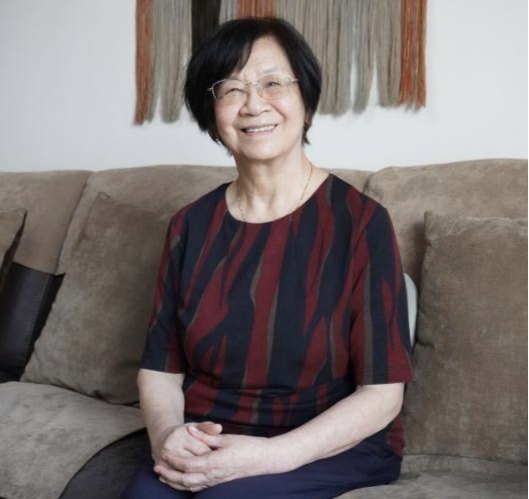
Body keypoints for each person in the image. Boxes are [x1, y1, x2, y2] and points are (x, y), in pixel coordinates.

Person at [121, 17, 413, 499]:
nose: (254, 104)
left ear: (306, 100)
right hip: (210, 436)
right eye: (231, 89)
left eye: (273, 83)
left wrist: (270, 457)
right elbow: (160, 368)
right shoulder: (190, 225)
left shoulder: (361, 223)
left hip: (326, 444)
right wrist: (167, 437)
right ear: (211, 112)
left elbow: (382, 394)